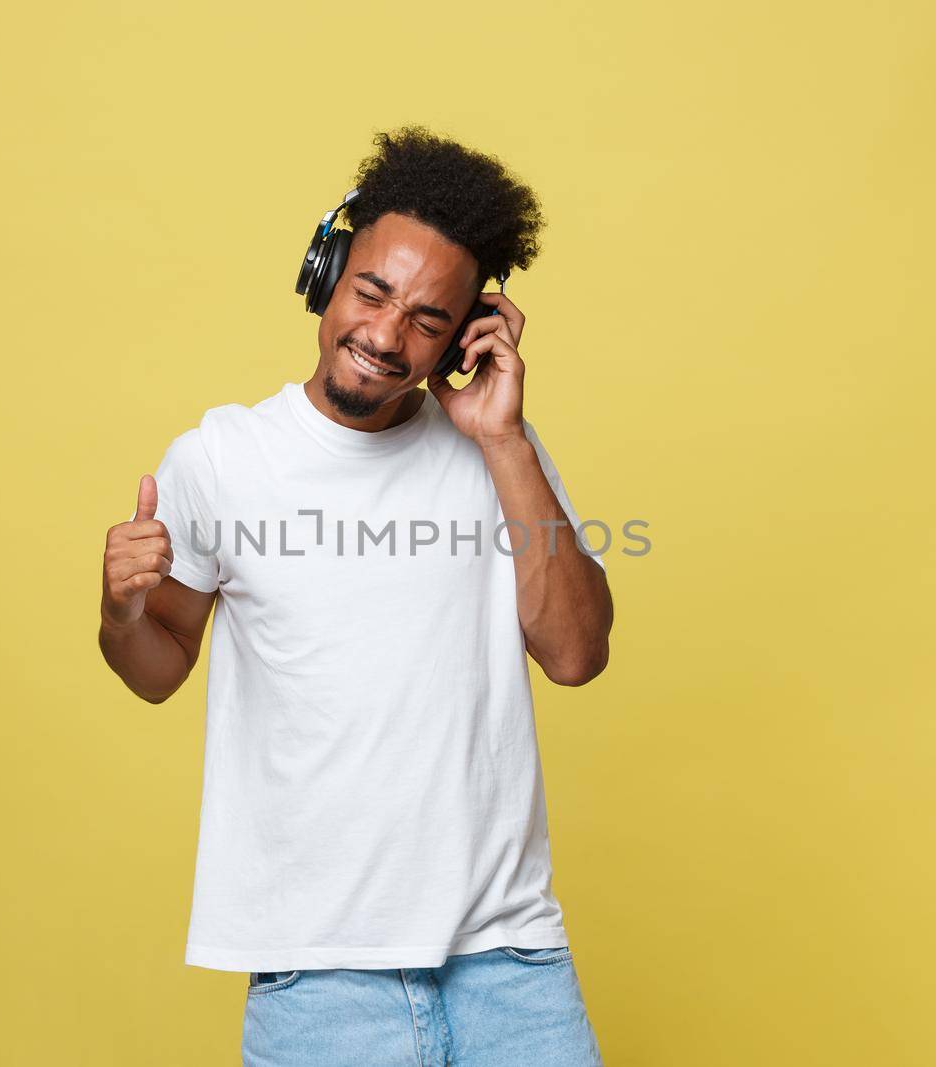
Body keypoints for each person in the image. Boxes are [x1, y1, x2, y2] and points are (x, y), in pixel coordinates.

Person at [98, 125, 612, 1066]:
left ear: (466, 336)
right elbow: (158, 664)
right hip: (319, 981)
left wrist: (503, 440)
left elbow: (577, 655)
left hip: (512, 968)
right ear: (326, 272)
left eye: (426, 317)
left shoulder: (504, 457)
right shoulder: (221, 458)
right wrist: (121, 612)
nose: (383, 334)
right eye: (371, 292)